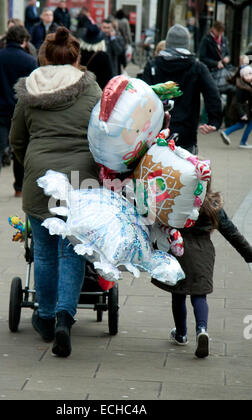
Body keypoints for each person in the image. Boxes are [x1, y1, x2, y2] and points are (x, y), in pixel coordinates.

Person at [10, 27, 101, 357]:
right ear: (76, 56)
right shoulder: (91, 88)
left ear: (43, 56)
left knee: (45, 252)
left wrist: (33, 164)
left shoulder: (29, 88)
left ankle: (45, 318)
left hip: (39, 176)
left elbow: (16, 139)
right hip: (81, 179)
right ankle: (65, 315)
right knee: (73, 250)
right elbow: (105, 133)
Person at [152, 181, 252, 358]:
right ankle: (202, 330)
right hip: (203, 253)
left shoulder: (174, 200)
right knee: (199, 295)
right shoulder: (211, 204)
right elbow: (231, 231)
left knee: (178, 293)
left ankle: (181, 334)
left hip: (178, 250)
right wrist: (248, 253)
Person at [141, 24, 222, 155]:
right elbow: (212, 94)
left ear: (167, 43)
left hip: (156, 134)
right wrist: (214, 120)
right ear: (187, 44)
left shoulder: (153, 66)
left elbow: (142, 97)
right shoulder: (197, 68)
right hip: (186, 135)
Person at [0, 25, 37, 202]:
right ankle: (19, 188)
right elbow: (34, 87)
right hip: (21, 112)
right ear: (23, 41)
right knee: (19, 149)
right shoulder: (29, 61)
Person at [220, 64, 252, 149]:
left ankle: (227, 133)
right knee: (246, 124)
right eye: (246, 75)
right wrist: (242, 114)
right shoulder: (242, 87)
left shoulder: (246, 84)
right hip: (243, 110)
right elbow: (237, 103)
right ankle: (242, 141)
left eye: (250, 74)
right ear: (242, 76)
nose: (249, 77)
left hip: (245, 109)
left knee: (242, 124)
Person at [80, 24, 113, 89]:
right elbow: (108, 78)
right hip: (97, 92)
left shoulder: (78, 54)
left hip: (80, 90)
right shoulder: (103, 56)